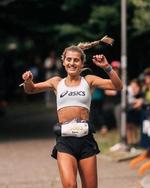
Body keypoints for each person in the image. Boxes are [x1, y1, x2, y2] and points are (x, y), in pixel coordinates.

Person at [21, 42, 122, 188]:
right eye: (69, 59)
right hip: (65, 141)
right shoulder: (57, 82)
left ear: (82, 63)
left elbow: (117, 86)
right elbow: (31, 90)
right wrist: (28, 81)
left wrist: (107, 67)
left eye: (76, 60)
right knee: (69, 185)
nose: (72, 63)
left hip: (85, 140)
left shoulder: (88, 80)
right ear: (63, 62)